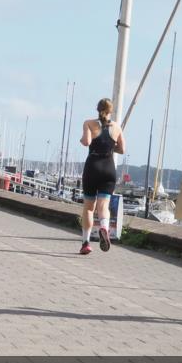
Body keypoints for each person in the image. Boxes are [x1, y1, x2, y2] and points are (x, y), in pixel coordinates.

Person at [78, 98, 125, 254]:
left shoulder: (88, 123)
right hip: (108, 168)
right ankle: (104, 227)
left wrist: (82, 139)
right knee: (103, 205)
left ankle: (86, 243)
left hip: (93, 166)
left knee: (89, 208)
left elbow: (86, 142)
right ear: (110, 111)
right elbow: (122, 149)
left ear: (97, 109)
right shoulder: (117, 127)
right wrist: (110, 147)